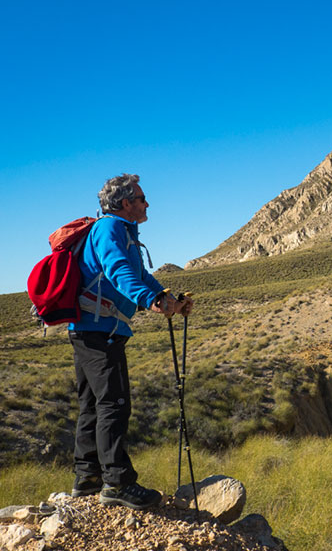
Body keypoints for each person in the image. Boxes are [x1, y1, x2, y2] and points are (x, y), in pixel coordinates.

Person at [68, 174, 193, 509]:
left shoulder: (124, 232)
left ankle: (88, 478)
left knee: (94, 404)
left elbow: (141, 276)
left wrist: (168, 299)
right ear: (125, 203)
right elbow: (120, 272)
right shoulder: (110, 230)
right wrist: (152, 303)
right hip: (98, 329)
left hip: (92, 328)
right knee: (114, 403)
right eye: (141, 198)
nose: (147, 203)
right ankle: (117, 483)